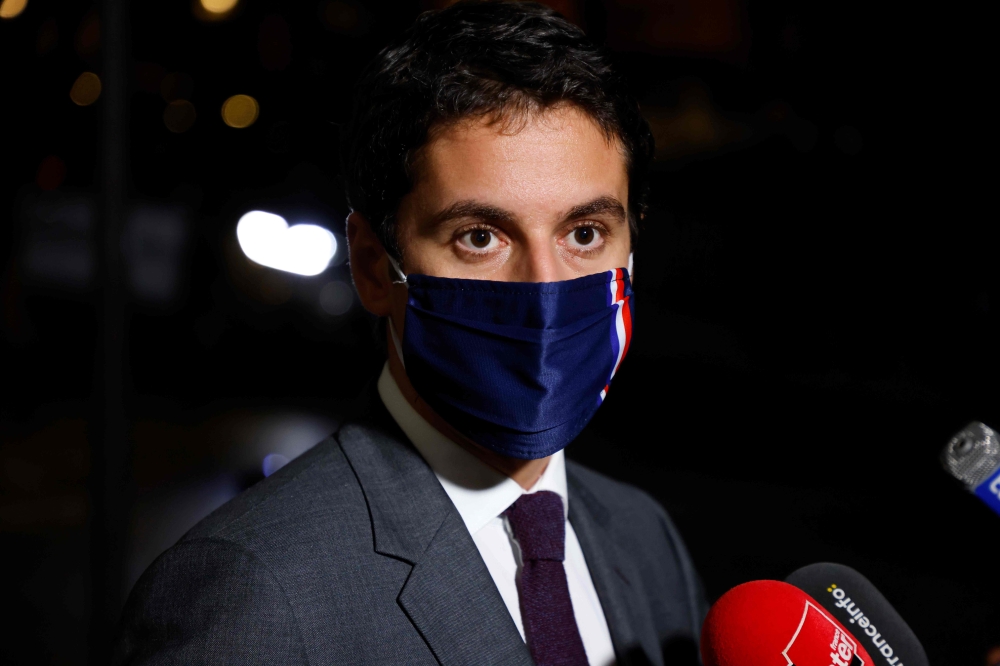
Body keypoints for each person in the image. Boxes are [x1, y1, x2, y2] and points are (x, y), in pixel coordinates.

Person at [114, 2, 707, 664]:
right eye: (479, 237)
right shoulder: (252, 593)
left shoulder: (646, 540)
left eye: (585, 233)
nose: (543, 287)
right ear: (373, 267)